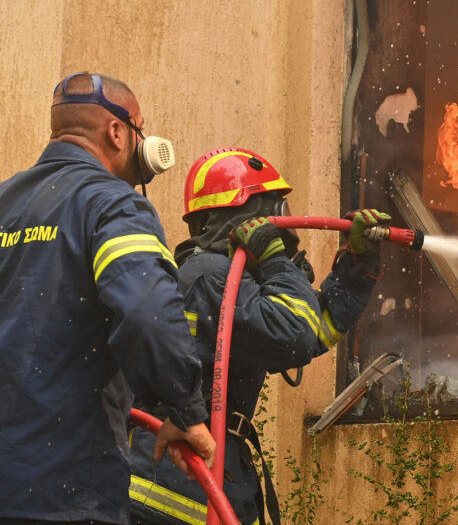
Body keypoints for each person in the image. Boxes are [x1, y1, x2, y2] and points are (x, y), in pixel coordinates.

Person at [128, 147, 388, 525]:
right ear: (246, 218)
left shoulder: (225, 279)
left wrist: (356, 267)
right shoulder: (211, 275)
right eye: (277, 211)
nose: (285, 226)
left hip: (201, 473)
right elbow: (295, 334)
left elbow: (311, 331)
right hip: (175, 491)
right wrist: (276, 260)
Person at [0, 73, 215, 525]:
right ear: (118, 132)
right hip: (67, 491)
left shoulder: (5, 203)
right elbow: (147, 313)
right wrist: (185, 411)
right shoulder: (113, 205)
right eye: (139, 129)